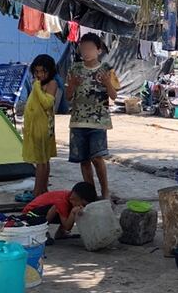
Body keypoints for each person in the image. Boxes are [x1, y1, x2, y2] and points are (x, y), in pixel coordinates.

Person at [66, 33, 119, 200]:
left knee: (97, 157)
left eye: (90, 48)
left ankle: (105, 191)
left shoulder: (107, 69)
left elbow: (114, 96)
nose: (86, 52)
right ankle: (90, 194)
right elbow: (67, 96)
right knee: (83, 160)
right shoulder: (75, 69)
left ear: (99, 50)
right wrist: (73, 85)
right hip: (78, 121)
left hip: (98, 121)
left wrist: (107, 83)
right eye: (83, 49)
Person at [17, 54, 60, 203]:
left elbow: (47, 103)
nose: (39, 75)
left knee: (42, 161)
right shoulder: (38, 85)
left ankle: (37, 192)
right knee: (42, 161)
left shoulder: (51, 84)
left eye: (43, 71)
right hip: (33, 128)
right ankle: (42, 190)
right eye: (37, 72)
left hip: (43, 129)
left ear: (50, 71)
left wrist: (36, 87)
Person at [21, 181, 98, 240]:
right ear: (73, 199)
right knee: (59, 208)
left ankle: (60, 233)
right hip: (31, 214)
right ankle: (42, 232)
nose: (83, 207)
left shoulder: (71, 199)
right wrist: (73, 212)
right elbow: (67, 226)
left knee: (70, 211)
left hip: (39, 212)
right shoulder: (62, 201)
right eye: (83, 204)